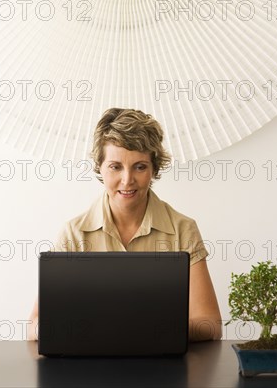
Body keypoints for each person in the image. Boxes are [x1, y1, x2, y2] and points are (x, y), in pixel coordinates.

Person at [28, 108, 222, 342]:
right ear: (100, 166)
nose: (127, 180)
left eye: (139, 167)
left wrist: (141, 328)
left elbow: (210, 325)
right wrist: (64, 329)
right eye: (115, 166)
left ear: (154, 169)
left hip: (162, 368)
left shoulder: (183, 229)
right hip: (90, 367)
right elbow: (34, 327)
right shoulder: (73, 233)